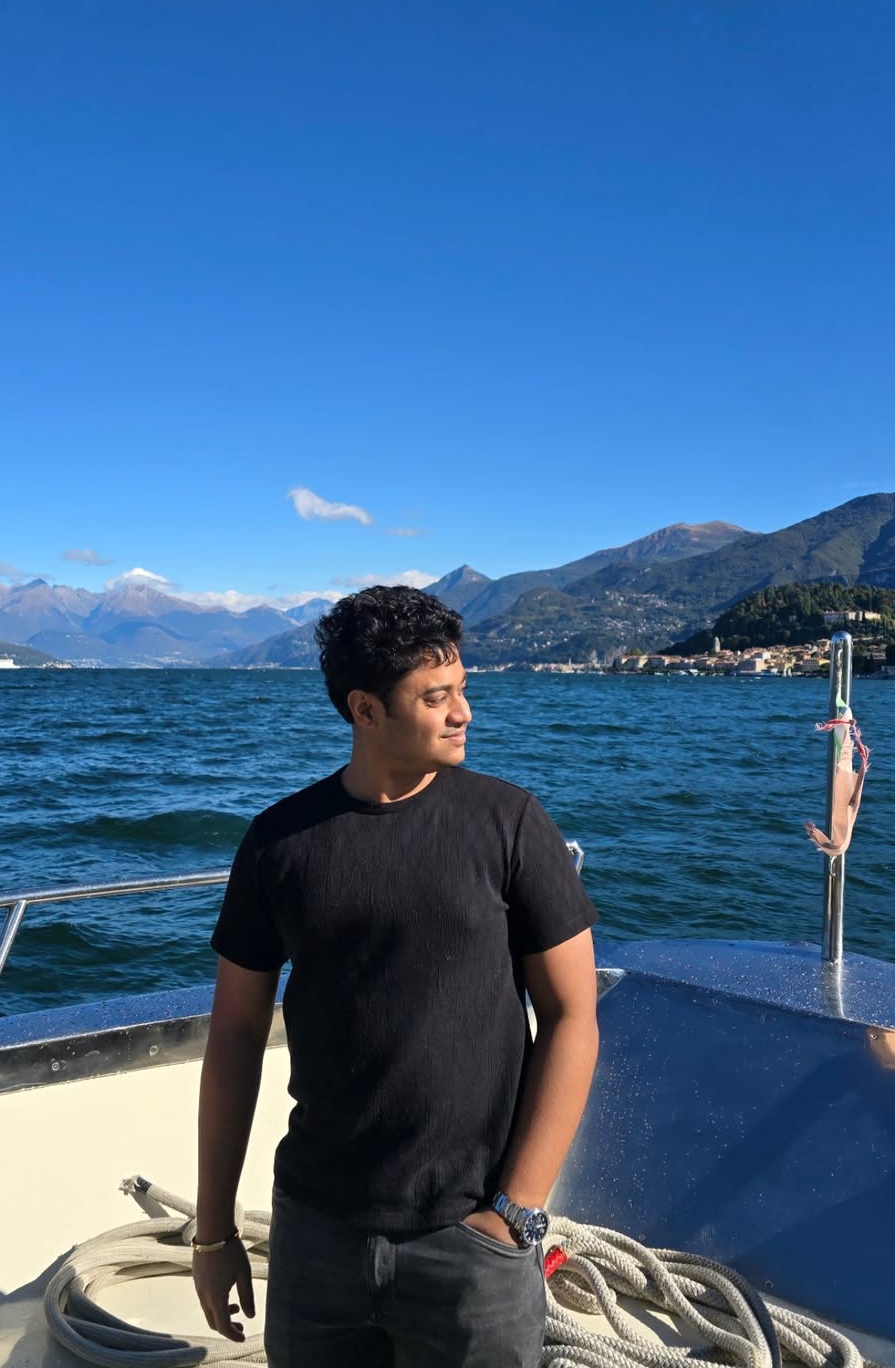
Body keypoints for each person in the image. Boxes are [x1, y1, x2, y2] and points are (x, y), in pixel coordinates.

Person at [194, 585, 599, 1367]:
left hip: (473, 1237)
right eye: (435, 697)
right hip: (316, 1233)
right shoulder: (279, 845)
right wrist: (213, 1234)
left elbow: (572, 1015)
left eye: (462, 690)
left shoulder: (510, 824)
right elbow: (236, 1034)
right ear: (365, 710)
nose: (463, 713)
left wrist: (516, 1212)